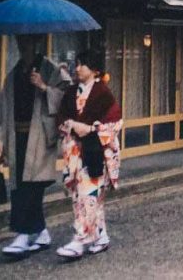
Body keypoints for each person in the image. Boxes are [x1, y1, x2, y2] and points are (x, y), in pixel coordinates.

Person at [0, 34, 71, 256]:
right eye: (20, 43)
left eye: (27, 42)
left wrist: (44, 86)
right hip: (16, 136)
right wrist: (0, 143)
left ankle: (23, 233)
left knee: (32, 186)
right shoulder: (14, 74)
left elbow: (67, 97)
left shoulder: (51, 69)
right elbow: (3, 110)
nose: (23, 47)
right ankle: (41, 232)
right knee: (19, 185)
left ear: (36, 43)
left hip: (39, 137)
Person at [56, 49, 122, 258]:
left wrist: (92, 129)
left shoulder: (103, 94)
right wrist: (72, 125)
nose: (77, 68)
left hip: (95, 151)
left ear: (94, 70)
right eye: (76, 64)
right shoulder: (70, 93)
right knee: (81, 196)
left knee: (89, 196)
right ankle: (100, 236)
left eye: (81, 64)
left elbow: (115, 123)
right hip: (76, 151)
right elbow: (61, 119)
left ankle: (80, 239)